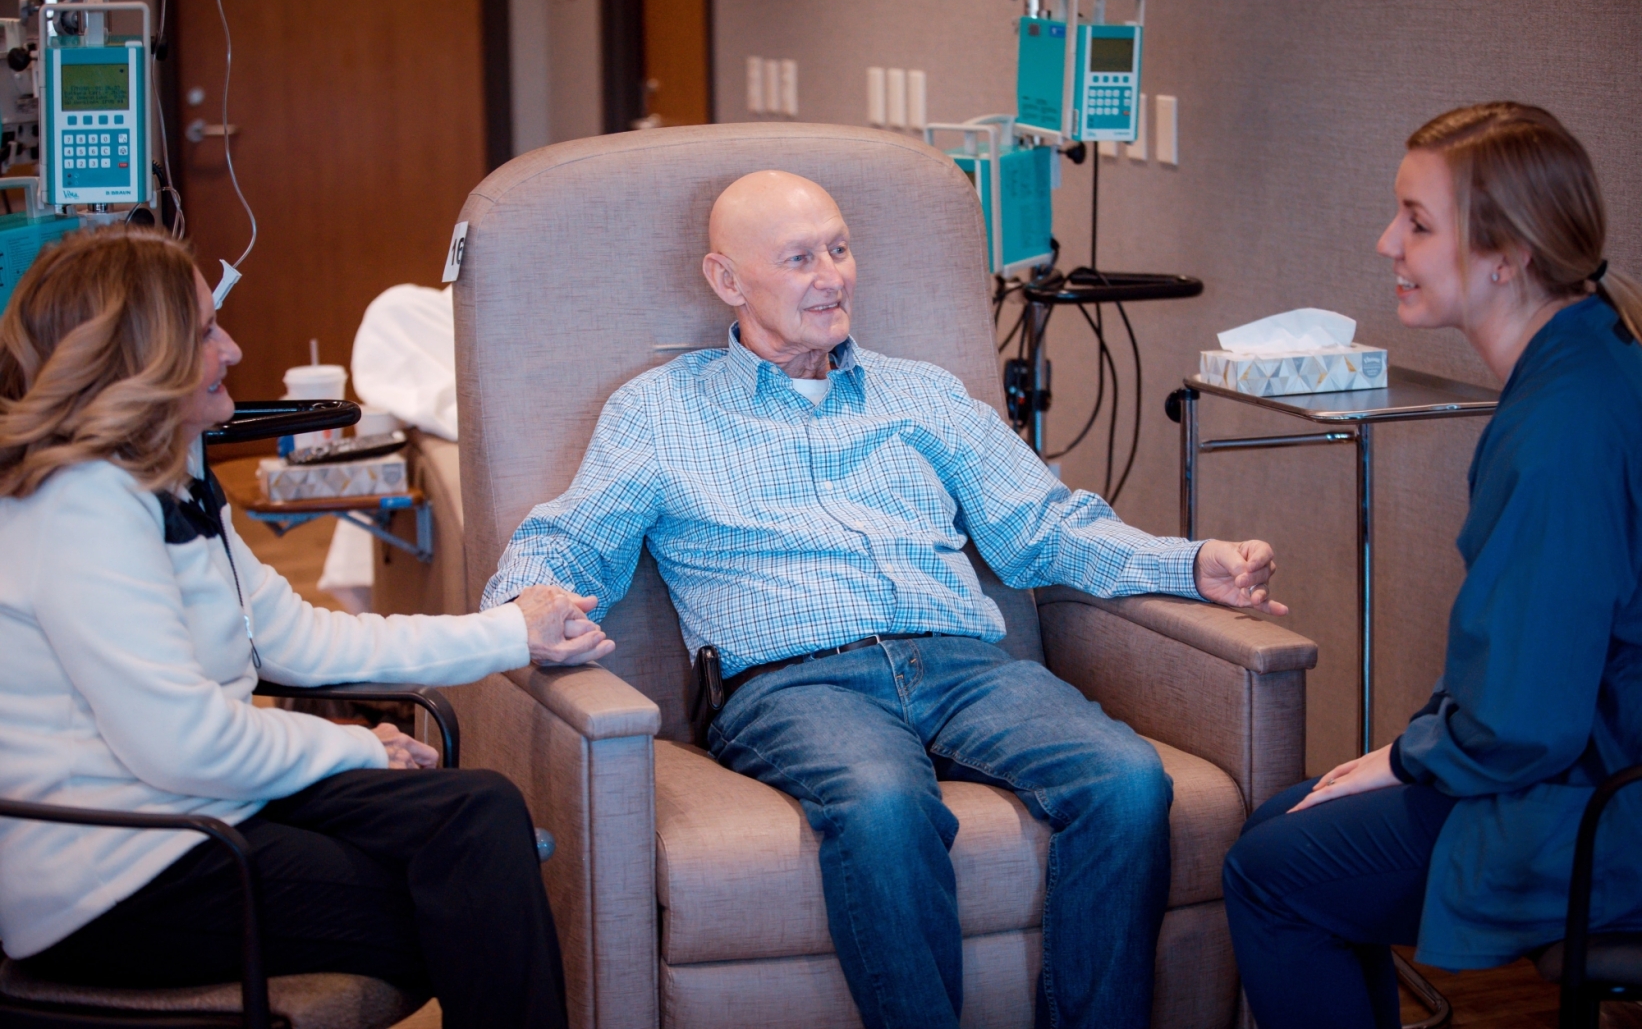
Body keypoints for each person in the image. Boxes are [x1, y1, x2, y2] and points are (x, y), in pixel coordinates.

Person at [484, 169, 1288, 1029]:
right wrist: (527, 608)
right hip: (794, 683)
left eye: (839, 248)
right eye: (799, 258)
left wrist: (1188, 564)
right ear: (727, 280)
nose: (832, 276)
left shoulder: (925, 395)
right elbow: (573, 539)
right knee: (884, 806)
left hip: (962, 661)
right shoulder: (658, 411)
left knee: (1127, 781)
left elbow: (1040, 526)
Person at [0, 227, 615, 1028]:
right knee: (472, 906)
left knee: (478, 816)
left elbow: (298, 639)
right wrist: (361, 746)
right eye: (206, 330)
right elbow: (183, 742)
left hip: (197, 808)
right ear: (145, 358)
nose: (233, 346)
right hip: (118, 875)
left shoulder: (165, 476)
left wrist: (509, 632)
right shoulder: (81, 505)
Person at [1222, 102, 1642, 1029]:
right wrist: (1402, 755)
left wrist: (1408, 759)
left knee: (1269, 874)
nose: (1386, 244)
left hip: (1598, 808)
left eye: (1416, 222)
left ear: (1507, 254)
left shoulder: (1561, 433)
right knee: (1282, 829)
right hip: (1584, 761)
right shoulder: (1591, 361)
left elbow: (1527, 722)